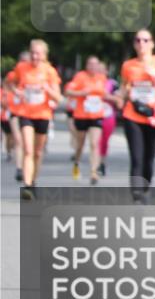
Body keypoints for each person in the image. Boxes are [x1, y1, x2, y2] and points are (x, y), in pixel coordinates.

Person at [117, 29, 155, 203]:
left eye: (145, 40)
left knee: (148, 158)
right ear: (134, 44)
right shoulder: (128, 66)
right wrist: (122, 95)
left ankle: (145, 188)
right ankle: (136, 194)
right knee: (136, 157)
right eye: (138, 40)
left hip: (154, 117)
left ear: (152, 44)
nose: (141, 44)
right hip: (132, 115)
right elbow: (125, 87)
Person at [4, 40, 62, 200]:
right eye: (33, 53)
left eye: (38, 53)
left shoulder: (50, 71)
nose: (35, 56)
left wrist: (48, 89)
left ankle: (33, 181)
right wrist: (16, 92)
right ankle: (27, 185)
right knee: (28, 150)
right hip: (26, 114)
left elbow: (58, 97)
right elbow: (9, 82)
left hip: (43, 115)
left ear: (44, 55)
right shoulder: (22, 68)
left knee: (37, 152)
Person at [64, 56, 115, 185]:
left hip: (96, 115)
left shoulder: (101, 78)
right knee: (80, 144)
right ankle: (77, 161)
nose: (93, 67)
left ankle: (93, 172)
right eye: (90, 64)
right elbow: (68, 91)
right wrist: (81, 93)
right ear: (86, 66)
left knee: (94, 143)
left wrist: (115, 99)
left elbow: (104, 94)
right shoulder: (80, 76)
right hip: (81, 116)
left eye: (95, 64)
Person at [4, 51, 30, 182]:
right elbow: (6, 89)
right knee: (18, 140)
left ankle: (27, 166)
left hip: (30, 113)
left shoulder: (33, 76)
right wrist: (14, 93)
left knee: (28, 143)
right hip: (15, 111)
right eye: (23, 61)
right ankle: (19, 169)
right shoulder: (12, 75)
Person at [97, 63, 119, 177]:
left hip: (108, 115)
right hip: (94, 115)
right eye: (97, 70)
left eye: (102, 70)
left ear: (106, 71)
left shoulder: (113, 84)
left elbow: (118, 99)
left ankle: (102, 163)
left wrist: (106, 96)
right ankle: (95, 164)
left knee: (104, 141)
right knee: (95, 140)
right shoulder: (91, 82)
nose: (99, 72)